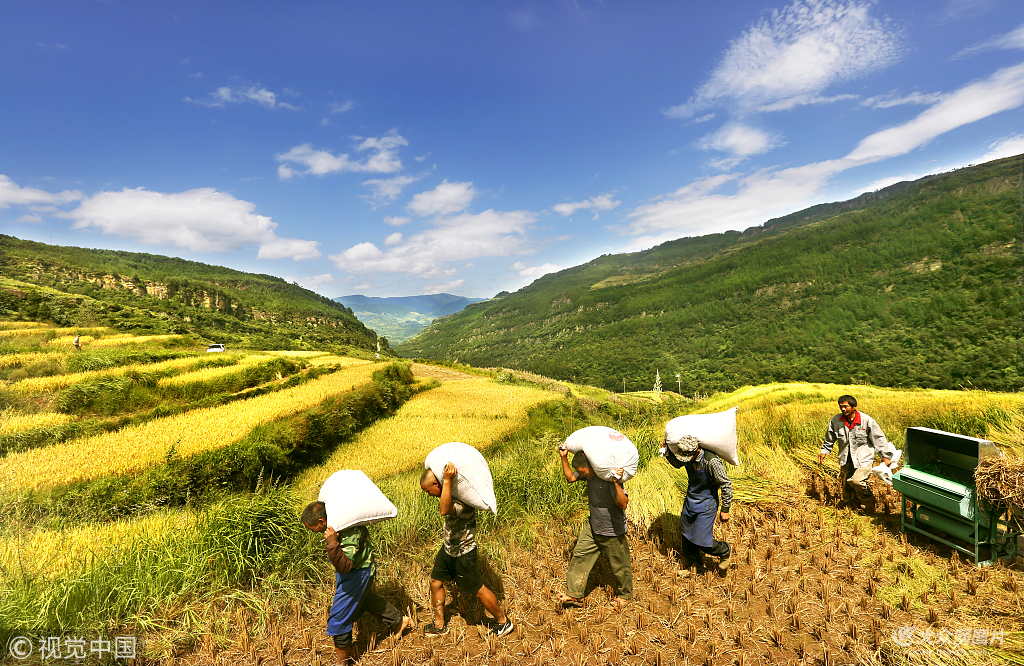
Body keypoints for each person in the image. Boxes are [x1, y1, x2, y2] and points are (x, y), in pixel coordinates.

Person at [301, 501, 412, 665]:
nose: (313, 532)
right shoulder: (339, 525)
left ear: (321, 522)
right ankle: (398, 621)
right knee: (365, 599)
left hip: (358, 575)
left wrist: (332, 544)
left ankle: (342, 662)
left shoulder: (350, 531)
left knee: (339, 617)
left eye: (312, 529)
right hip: (359, 573)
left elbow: (345, 566)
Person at [419, 462, 513, 638]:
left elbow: (444, 509)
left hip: (463, 553)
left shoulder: (462, 499)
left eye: (427, 491)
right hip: (448, 549)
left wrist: (447, 480)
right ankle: (439, 625)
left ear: (435, 484)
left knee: (478, 589)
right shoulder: (449, 493)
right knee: (435, 582)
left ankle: (503, 621)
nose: (429, 495)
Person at [557, 447, 632, 611]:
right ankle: (574, 594)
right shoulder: (588, 475)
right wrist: (563, 457)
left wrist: (616, 483)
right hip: (593, 526)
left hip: (612, 529)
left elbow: (623, 504)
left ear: (590, 467)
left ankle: (624, 595)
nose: (580, 474)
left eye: (581, 471)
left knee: (620, 565)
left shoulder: (609, 478)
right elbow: (570, 478)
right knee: (580, 555)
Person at [663, 434, 733, 574]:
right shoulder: (687, 455)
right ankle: (694, 566)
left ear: (696, 451)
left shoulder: (711, 461)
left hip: (707, 503)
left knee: (701, 539)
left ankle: (724, 550)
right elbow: (678, 464)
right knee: (686, 533)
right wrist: (667, 452)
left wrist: (725, 508)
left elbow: (726, 484)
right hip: (691, 499)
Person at [818, 395, 895, 512]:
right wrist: (824, 451)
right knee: (846, 483)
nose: (843, 409)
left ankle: (869, 504)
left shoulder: (866, 421)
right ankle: (849, 503)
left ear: (854, 407)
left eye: (846, 406)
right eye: (841, 407)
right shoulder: (836, 420)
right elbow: (830, 437)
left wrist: (885, 456)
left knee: (857, 481)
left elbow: (879, 439)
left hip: (863, 458)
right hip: (845, 457)